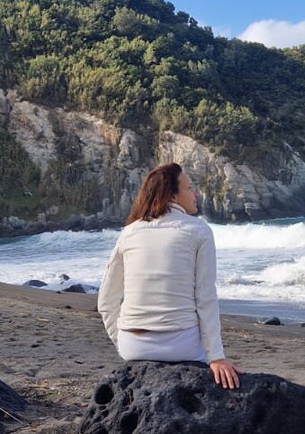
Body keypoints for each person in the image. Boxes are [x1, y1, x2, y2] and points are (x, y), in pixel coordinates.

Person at [98, 162, 242, 389]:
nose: (195, 194)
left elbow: (106, 301)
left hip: (132, 346)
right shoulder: (198, 230)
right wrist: (216, 357)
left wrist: (123, 341)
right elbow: (205, 297)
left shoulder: (129, 232)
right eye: (189, 188)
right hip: (181, 347)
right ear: (172, 196)